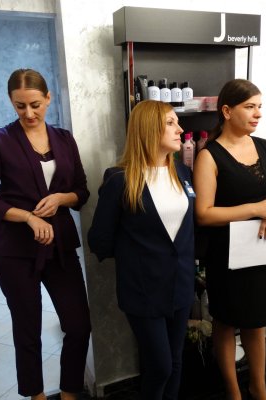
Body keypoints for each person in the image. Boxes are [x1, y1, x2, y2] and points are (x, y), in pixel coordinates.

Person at [0, 69, 91, 400]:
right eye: (20, 106)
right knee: (28, 330)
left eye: (35, 104)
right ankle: (37, 396)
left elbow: (82, 191)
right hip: (15, 251)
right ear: (11, 102)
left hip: (60, 247)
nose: (29, 113)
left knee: (78, 325)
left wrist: (61, 198)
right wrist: (28, 218)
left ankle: (70, 392)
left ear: (48, 98)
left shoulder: (64, 139)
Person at [88, 100, 195, 400]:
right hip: (143, 290)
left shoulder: (182, 172)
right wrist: (137, 258)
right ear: (148, 129)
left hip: (180, 285)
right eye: (171, 123)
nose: (180, 129)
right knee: (159, 366)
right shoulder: (120, 180)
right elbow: (99, 239)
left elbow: (187, 229)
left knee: (175, 361)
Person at [193, 79, 266, 400]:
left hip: (263, 251)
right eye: (250, 107)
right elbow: (204, 214)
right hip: (227, 255)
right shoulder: (209, 156)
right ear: (226, 111)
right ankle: (233, 391)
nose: (258, 114)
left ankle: (258, 387)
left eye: (260, 107)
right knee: (225, 321)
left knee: (257, 321)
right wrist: (256, 208)